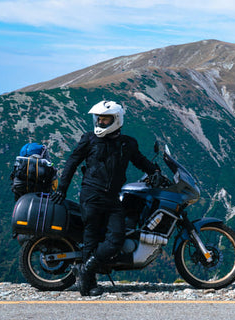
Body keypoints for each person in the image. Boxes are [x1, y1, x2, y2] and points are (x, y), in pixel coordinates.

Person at [50, 100, 160, 296]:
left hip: (112, 199)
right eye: (98, 119)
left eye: (104, 119)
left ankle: (85, 270)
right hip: (91, 196)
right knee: (90, 240)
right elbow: (71, 163)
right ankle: (87, 285)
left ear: (116, 120)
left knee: (116, 239)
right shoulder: (89, 139)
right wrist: (62, 189)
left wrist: (155, 172)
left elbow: (141, 161)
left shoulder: (127, 143)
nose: (100, 123)